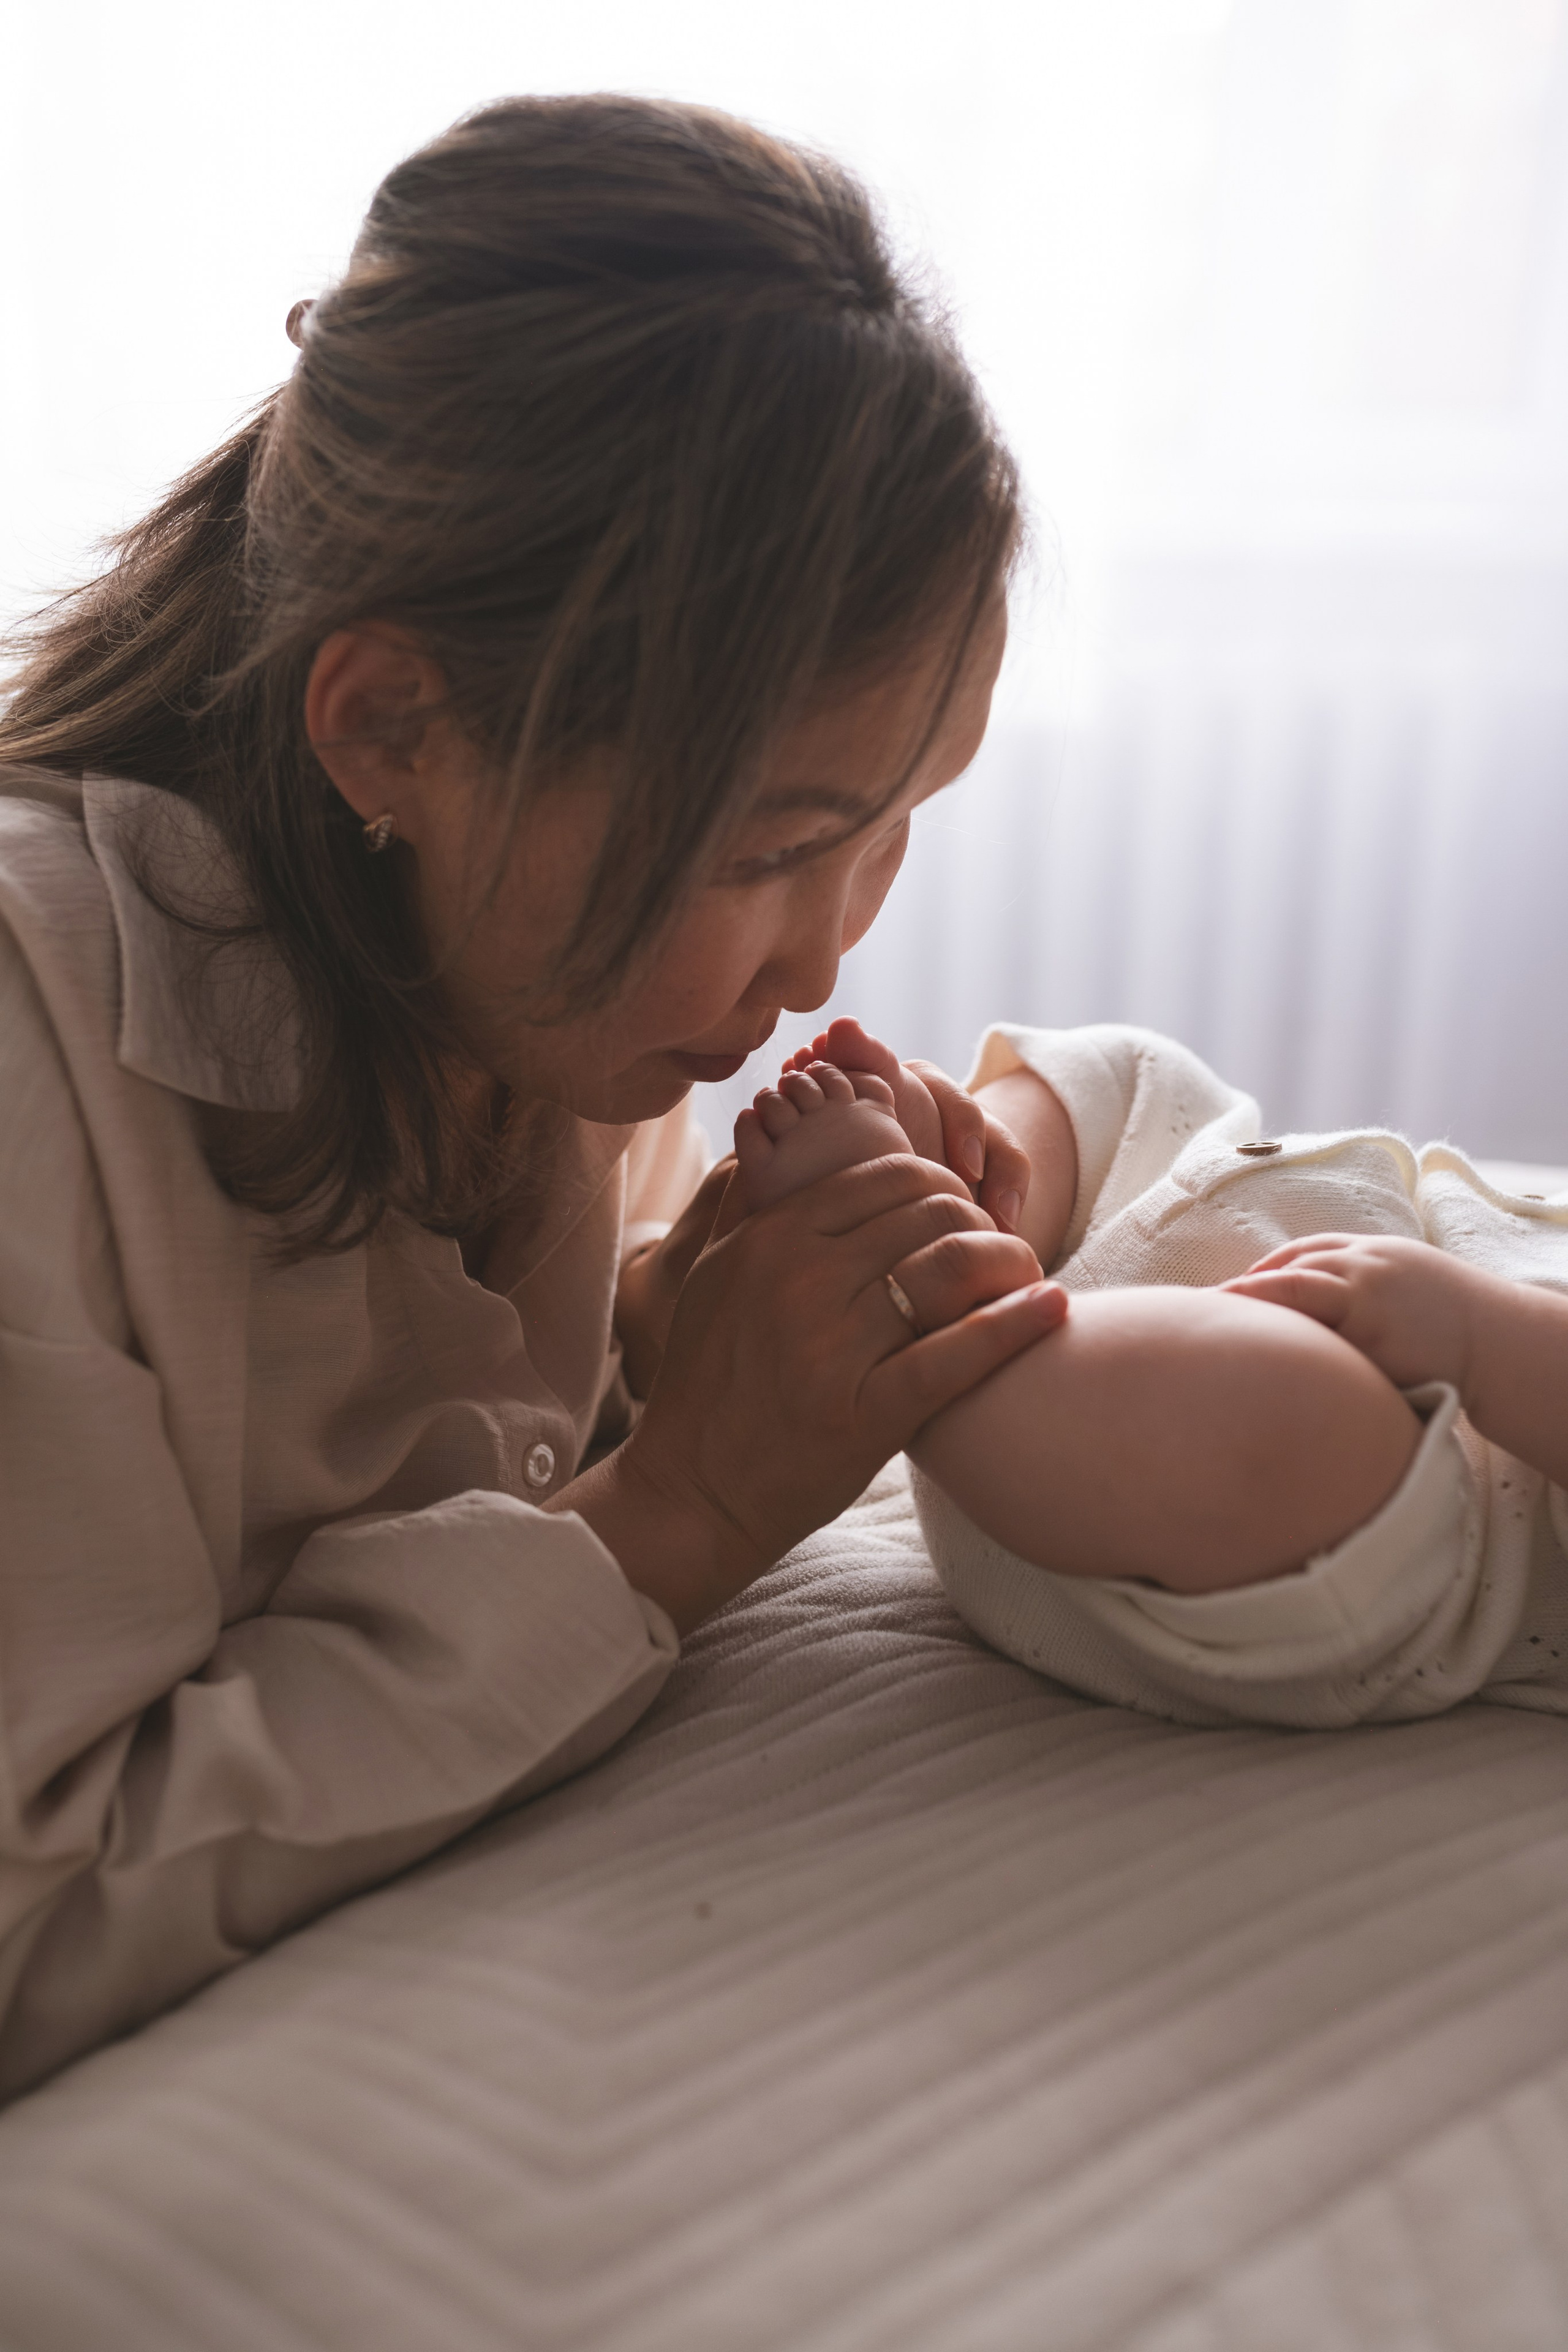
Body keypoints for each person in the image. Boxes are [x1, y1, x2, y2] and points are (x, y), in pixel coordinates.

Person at [0, 97, 1072, 2099]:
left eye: (888, 832)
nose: (821, 965)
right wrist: (680, 1509)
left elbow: (417, 1495)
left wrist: (679, 1346)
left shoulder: (527, 991)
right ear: (390, 726)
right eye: (768, 851)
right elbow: (33, 1917)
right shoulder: (30, 1064)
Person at [731, 1017, 1568, 1730]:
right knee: (1140, 1081)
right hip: (1306, 1223)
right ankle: (955, 1175)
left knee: (1290, 1425)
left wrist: (1478, 1338)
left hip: (1419, 1504)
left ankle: (910, 1276)